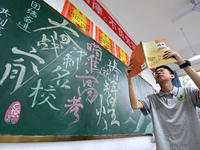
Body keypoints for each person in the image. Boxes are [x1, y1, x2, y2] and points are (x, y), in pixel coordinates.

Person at [125, 50, 200, 150]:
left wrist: (183, 64)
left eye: (162, 70)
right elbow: (135, 105)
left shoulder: (188, 92)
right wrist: (130, 79)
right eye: (156, 73)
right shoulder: (152, 99)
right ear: (155, 80)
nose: (158, 72)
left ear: (172, 76)